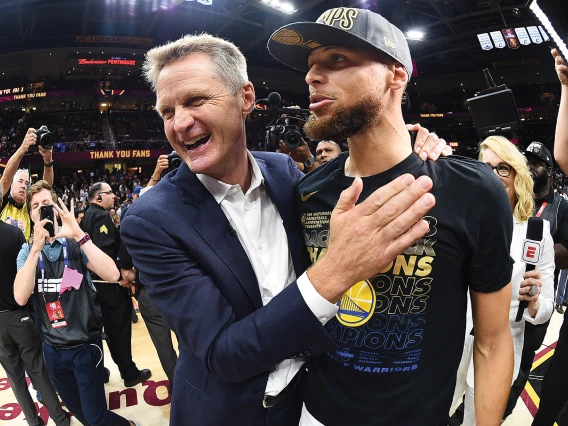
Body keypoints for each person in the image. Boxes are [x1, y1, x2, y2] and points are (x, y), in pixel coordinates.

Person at [121, 33, 444, 426]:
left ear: (245, 98)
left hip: (312, 402)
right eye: (167, 111)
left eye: (195, 100)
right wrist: (336, 271)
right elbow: (224, 353)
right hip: (231, 414)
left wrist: (417, 149)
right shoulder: (151, 219)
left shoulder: (283, 170)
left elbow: (364, 166)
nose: (180, 123)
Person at [267, 7, 514, 425]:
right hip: (316, 413)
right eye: (310, 66)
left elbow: (491, 340)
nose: (311, 77)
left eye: (336, 60)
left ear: (396, 75)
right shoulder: (308, 190)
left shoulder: (471, 189)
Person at [12, 181, 140, 426]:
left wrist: (80, 235)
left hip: (84, 345)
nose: (41, 209)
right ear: (30, 213)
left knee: (96, 416)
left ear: (57, 207)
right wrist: (36, 249)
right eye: (36, 206)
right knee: (77, 411)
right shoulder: (27, 252)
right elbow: (20, 297)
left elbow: (113, 274)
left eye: (46, 203)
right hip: (53, 349)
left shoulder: (74, 243)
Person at [452, 136, 555, 425]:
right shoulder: (458, 221)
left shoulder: (537, 232)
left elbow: (546, 308)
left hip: (502, 350)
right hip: (449, 343)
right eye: (486, 168)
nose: (494, 176)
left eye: (502, 168)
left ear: (516, 175)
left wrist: (534, 300)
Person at [503, 141, 568, 419]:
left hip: (534, 303)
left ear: (550, 171)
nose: (530, 168)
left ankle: (502, 412)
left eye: (537, 163)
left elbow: (567, 251)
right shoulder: (514, 198)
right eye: (526, 162)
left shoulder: (561, 206)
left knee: (520, 368)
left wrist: (536, 253)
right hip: (502, 296)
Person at [0, 186, 70, 426]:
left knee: (15, 377)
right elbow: (27, 275)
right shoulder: (12, 233)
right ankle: (60, 419)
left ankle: (33, 421)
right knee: (38, 371)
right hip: (20, 314)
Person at [80, 182, 151, 387]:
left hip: (94, 286)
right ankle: (129, 374)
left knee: (105, 333)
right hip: (109, 285)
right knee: (118, 331)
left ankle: (103, 372)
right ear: (98, 197)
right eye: (110, 192)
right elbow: (105, 251)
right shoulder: (101, 216)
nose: (114, 196)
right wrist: (119, 275)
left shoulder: (86, 216)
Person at [532, 48, 568, 426]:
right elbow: (565, 154)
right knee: (553, 398)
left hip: (547, 293)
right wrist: (567, 87)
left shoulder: (561, 205)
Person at [118, 186, 178, 394]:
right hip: (179, 289)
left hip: (150, 292)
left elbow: (127, 273)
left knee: (164, 347)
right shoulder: (176, 217)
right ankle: (197, 381)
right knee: (189, 341)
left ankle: (178, 385)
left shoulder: (133, 224)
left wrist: (137, 271)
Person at [0, 128, 54, 241]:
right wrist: (23, 148)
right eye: (20, 181)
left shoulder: (29, 207)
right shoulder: (3, 202)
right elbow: (5, 178)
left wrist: (48, 162)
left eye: (26, 183)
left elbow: (46, 189)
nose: (24, 186)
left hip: (25, 257)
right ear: (12, 184)